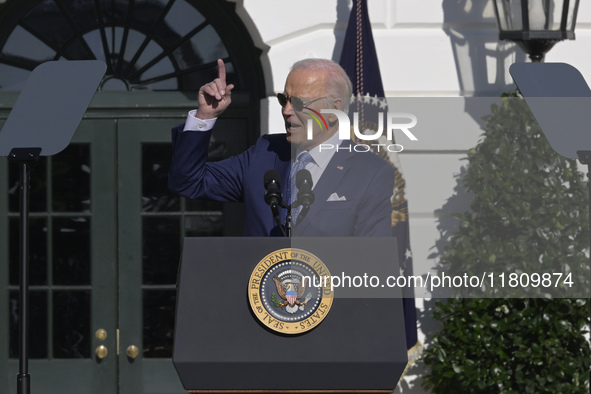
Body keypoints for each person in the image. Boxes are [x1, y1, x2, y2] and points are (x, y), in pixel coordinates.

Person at [168, 58, 395, 237]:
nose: (286, 110)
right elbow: (188, 181)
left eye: (297, 102)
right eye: (283, 100)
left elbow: (371, 263)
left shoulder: (370, 172)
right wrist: (204, 116)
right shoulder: (265, 153)